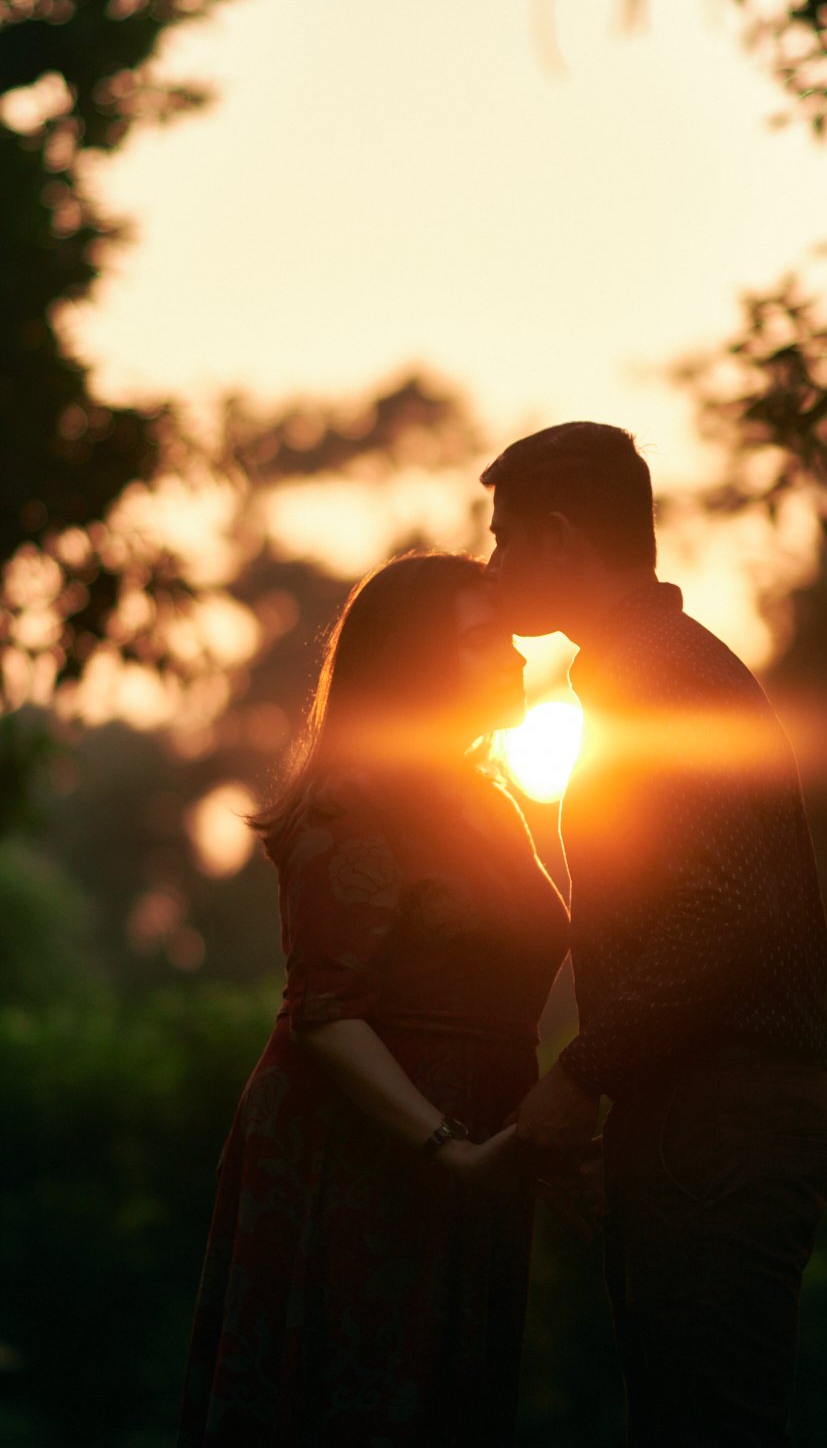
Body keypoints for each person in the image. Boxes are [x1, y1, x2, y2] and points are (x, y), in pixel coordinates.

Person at [481, 422, 827, 1447]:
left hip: (720, 1116)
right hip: (698, 1116)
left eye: (506, 540)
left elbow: (724, 912)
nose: (496, 565)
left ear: (557, 540)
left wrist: (582, 1071)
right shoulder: (648, 672)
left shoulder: (658, 679)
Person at [177, 552, 568, 1448]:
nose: (513, 657)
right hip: (362, 1148)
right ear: (418, 664)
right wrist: (445, 1146)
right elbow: (326, 1012)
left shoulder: (493, 799)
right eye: (481, 640)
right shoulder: (350, 807)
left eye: (507, 637)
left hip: (479, 1139)